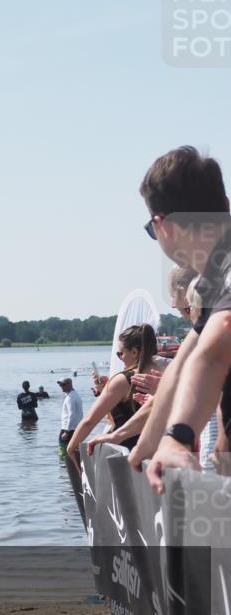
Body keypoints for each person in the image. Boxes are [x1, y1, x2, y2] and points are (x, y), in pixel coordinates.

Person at [125, 146, 231, 491]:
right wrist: (147, 445)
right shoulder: (216, 273)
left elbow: (215, 350)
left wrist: (178, 438)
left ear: (162, 225)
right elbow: (185, 362)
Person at [67, 324, 159, 470]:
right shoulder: (167, 371)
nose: (119, 357)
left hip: (130, 457)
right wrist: (106, 390)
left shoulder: (123, 380)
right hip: (161, 452)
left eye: (120, 353)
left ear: (134, 352)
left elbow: (90, 421)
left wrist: (71, 449)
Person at [57, 378, 83, 460]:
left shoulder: (70, 398)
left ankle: (64, 468)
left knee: (63, 452)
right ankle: (72, 467)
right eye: (60, 385)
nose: (61, 387)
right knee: (74, 451)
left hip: (68, 429)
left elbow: (72, 415)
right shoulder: (75, 394)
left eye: (63, 385)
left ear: (69, 384)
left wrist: (66, 432)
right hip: (75, 428)